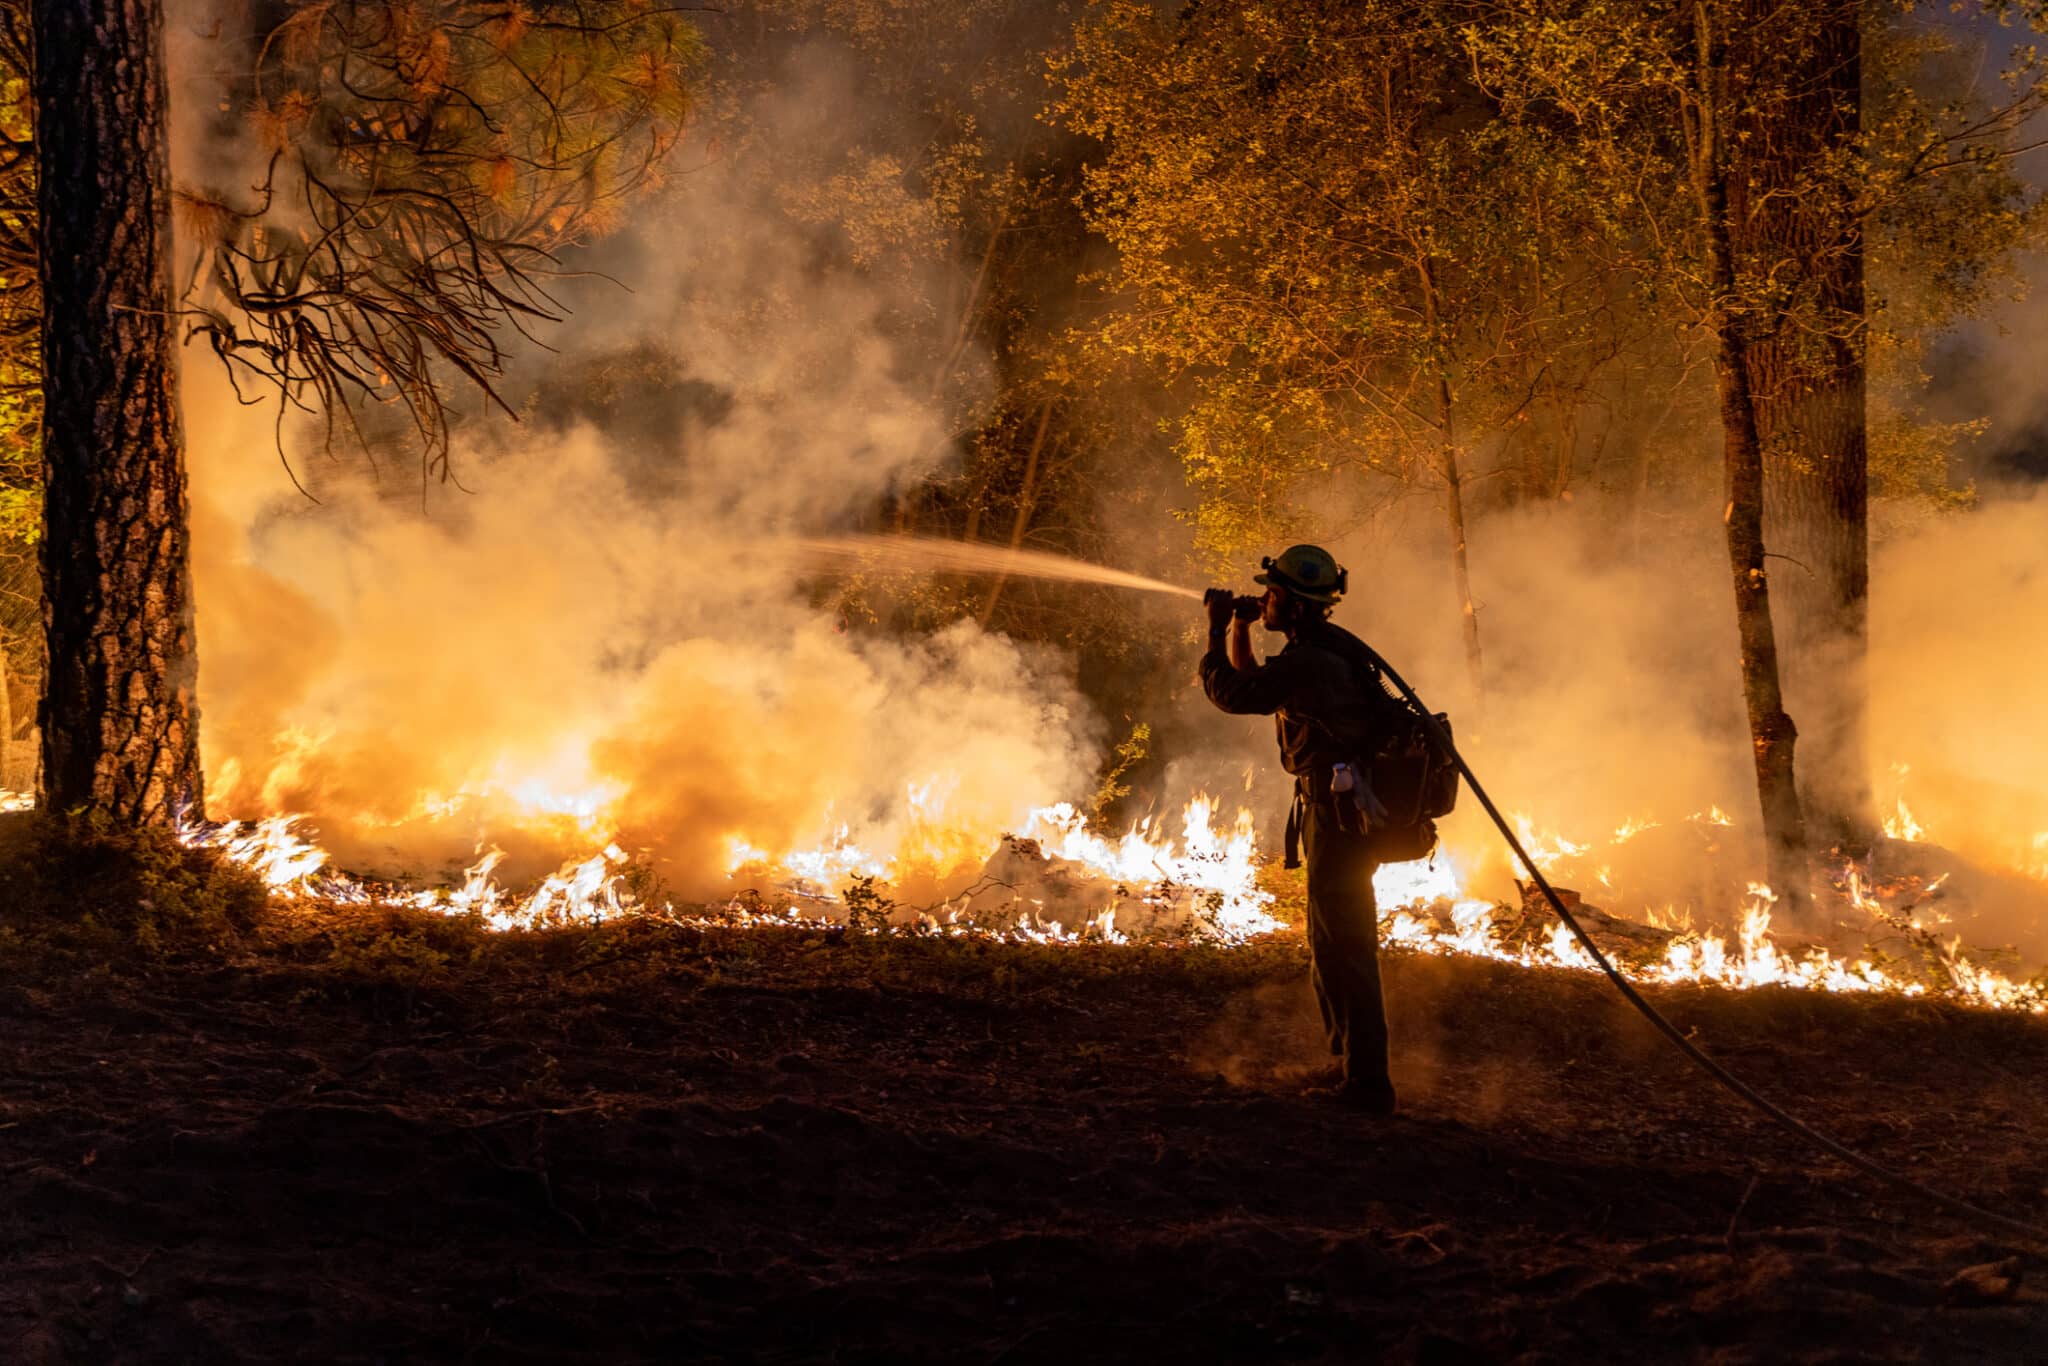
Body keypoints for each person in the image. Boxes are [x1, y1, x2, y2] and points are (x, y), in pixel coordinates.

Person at [1199, 544, 1409, 1113]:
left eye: (1270, 595)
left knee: (1346, 945)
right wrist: (1241, 627)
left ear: (1292, 604)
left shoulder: (1314, 660)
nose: (1263, 600)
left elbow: (1233, 693)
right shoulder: (1313, 655)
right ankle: (1350, 1068)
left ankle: (1368, 1085)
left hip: (1337, 815)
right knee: (1330, 940)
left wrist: (1215, 632)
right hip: (1333, 810)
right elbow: (1262, 688)